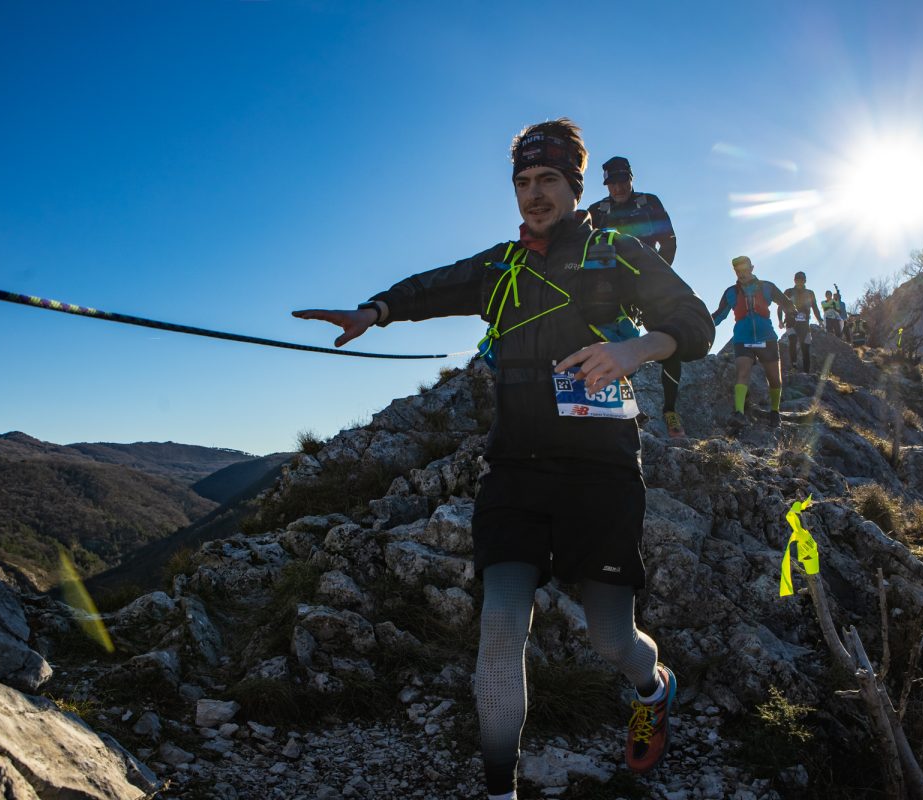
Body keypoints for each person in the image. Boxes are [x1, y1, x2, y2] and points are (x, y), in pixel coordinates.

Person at [295, 119, 714, 800]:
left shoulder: (615, 253)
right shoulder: (504, 265)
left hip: (601, 472)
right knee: (497, 634)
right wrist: (373, 311)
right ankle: (500, 791)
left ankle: (654, 687)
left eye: (547, 179)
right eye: (522, 181)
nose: (533, 193)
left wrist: (638, 349)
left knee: (611, 638)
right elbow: (434, 287)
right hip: (516, 470)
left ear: (574, 187)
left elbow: (696, 320)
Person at [588, 157, 687, 439]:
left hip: (650, 284)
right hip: (609, 289)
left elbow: (669, 239)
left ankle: (670, 411)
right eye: (611, 182)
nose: (617, 187)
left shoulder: (649, 203)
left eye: (622, 180)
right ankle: (627, 408)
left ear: (631, 178)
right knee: (612, 343)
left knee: (670, 340)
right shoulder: (596, 210)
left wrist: (659, 275)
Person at [711, 256, 796, 428]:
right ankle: (739, 413)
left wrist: (791, 312)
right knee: (742, 373)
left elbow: (786, 303)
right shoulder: (731, 292)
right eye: (738, 271)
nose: (741, 274)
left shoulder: (767, 287)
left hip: (767, 337)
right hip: (743, 338)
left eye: (744, 270)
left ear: (752, 268)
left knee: (774, 378)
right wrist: (702, 322)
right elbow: (719, 315)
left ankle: (775, 411)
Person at [778, 271, 822, 373]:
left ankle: (806, 372)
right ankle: (794, 366)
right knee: (792, 340)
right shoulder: (788, 292)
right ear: (794, 280)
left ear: (805, 280)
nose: (800, 282)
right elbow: (780, 307)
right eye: (798, 279)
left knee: (805, 347)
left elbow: (815, 307)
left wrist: (820, 319)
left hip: (804, 324)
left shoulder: (810, 293)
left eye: (802, 280)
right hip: (790, 321)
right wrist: (780, 320)